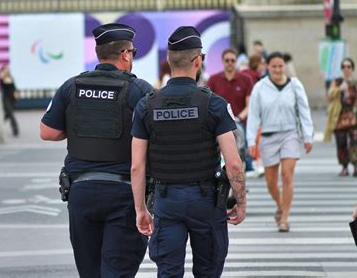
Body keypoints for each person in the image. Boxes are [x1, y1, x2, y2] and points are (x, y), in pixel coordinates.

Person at [131, 26, 246, 277]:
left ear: (169, 61)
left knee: (169, 271)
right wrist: (240, 201)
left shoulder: (147, 105)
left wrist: (141, 209)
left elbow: (137, 166)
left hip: (166, 200)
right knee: (208, 269)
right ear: (198, 60)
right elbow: (234, 163)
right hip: (206, 201)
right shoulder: (213, 104)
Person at [40, 23, 152, 277]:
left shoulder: (72, 86)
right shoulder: (139, 91)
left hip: (81, 193)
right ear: (125, 54)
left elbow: (47, 131)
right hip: (124, 195)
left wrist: (82, 127)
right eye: (132, 52)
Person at [247, 52, 314, 232]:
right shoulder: (260, 88)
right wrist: (251, 140)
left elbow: (304, 111)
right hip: (268, 137)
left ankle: (285, 218)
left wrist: (308, 137)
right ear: (267, 67)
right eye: (273, 66)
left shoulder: (294, 85)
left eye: (280, 66)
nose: (277, 69)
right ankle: (280, 205)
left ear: (285, 66)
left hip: (290, 134)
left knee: (287, 175)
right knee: (270, 181)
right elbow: (253, 115)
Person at [207, 48, 254, 172]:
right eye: (227, 60)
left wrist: (238, 118)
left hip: (238, 124)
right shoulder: (213, 79)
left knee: (238, 158)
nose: (229, 63)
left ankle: (239, 184)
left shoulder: (246, 79)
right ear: (222, 61)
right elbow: (207, 103)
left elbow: (250, 105)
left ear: (236, 61)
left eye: (232, 60)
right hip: (218, 126)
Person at [324, 58, 357, 177]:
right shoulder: (337, 82)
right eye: (344, 66)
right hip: (339, 117)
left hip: (354, 118)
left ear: (352, 68)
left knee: (355, 142)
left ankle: (356, 166)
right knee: (341, 143)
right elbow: (329, 96)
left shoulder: (356, 83)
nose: (346, 69)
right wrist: (339, 89)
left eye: (349, 66)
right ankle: (344, 167)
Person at [0, 64, 19, 137]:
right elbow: (2, 85)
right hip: (6, 98)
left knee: (7, 115)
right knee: (11, 114)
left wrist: (16, 93)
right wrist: (2, 76)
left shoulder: (11, 78)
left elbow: (14, 87)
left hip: (12, 98)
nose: (7, 71)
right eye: (5, 70)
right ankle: (15, 129)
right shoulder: (1, 78)